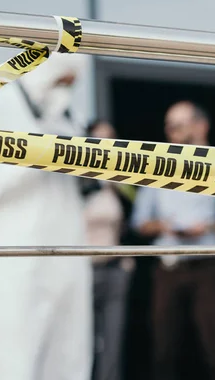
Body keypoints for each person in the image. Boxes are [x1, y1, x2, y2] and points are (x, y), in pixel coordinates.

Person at [0, 52, 93, 380]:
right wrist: (38, 158)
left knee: (70, 359)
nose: (68, 88)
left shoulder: (68, 115)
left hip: (72, 259)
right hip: (20, 261)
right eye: (63, 78)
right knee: (13, 359)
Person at [131, 101, 215, 380]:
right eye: (168, 124)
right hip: (168, 267)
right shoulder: (157, 165)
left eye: (178, 123)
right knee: (163, 351)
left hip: (207, 268)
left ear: (201, 126)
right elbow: (139, 222)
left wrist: (209, 227)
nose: (171, 130)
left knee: (214, 349)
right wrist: (164, 226)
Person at [81, 120, 136, 380]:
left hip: (115, 269)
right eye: (98, 139)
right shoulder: (75, 183)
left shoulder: (120, 183)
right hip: (83, 271)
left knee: (113, 342)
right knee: (82, 343)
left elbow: (131, 222)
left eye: (111, 139)